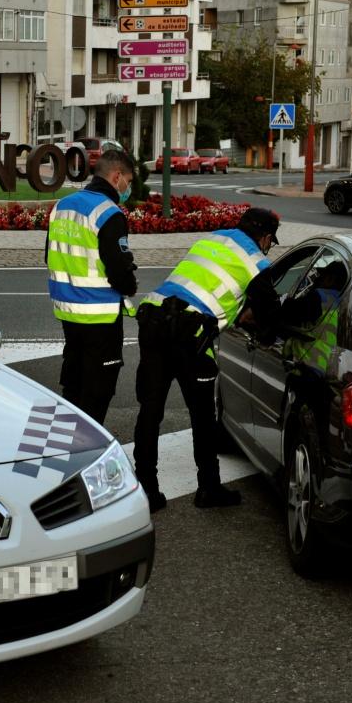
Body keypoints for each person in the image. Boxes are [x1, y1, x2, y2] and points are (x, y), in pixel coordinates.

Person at [131, 207, 282, 512]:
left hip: (154, 319)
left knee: (150, 411)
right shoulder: (256, 263)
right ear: (265, 238)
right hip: (189, 334)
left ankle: (146, 491)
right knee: (202, 416)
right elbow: (272, 319)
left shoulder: (213, 239)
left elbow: (211, 288)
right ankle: (209, 489)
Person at [45, 149, 138, 424]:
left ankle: (65, 441)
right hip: (100, 316)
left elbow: (48, 255)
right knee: (99, 391)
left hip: (67, 311)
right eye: (129, 181)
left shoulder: (63, 205)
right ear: (117, 176)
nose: (128, 188)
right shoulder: (109, 213)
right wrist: (130, 285)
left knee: (74, 383)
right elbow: (119, 270)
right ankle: (88, 449)